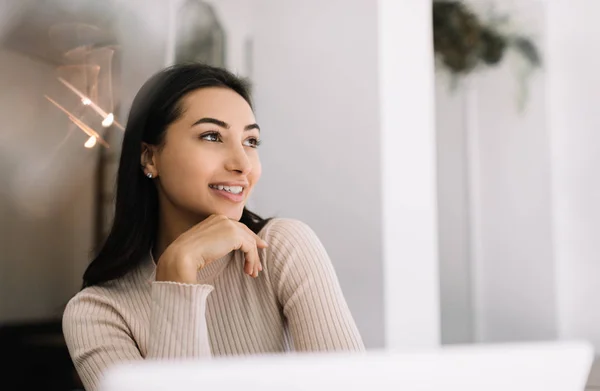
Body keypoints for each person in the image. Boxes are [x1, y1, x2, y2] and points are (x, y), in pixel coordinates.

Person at [62, 63, 364, 390]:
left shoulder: (282, 248)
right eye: (211, 136)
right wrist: (178, 275)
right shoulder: (96, 313)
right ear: (150, 157)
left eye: (251, 141)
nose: (242, 164)